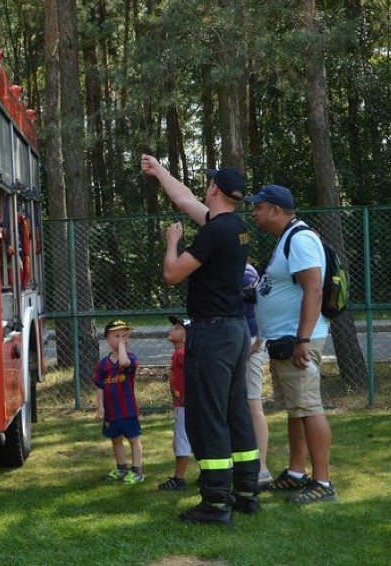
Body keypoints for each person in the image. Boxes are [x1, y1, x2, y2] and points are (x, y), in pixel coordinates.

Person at [141, 155, 260, 525]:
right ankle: (245, 493)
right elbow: (184, 200)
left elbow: (172, 274)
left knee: (208, 417)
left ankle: (215, 501)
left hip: (212, 333)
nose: (202, 189)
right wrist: (160, 171)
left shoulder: (214, 232)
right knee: (235, 411)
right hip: (236, 328)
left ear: (214, 189)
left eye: (208, 184)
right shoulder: (234, 227)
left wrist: (172, 242)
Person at [245, 184, 336, 504]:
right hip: (283, 339)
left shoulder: (300, 239)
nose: (254, 212)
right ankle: (297, 473)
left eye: (259, 207)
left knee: (309, 408)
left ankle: (323, 482)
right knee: (296, 409)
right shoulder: (286, 239)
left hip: (297, 341)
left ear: (276, 210)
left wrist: (303, 339)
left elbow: (314, 290)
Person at [92, 319, 144, 484]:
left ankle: (137, 471)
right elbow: (100, 386)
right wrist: (100, 407)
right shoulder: (103, 364)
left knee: (133, 439)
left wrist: (121, 345)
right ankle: (121, 468)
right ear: (107, 339)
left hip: (127, 410)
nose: (120, 339)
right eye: (116, 336)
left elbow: (123, 363)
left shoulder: (130, 358)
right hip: (112, 411)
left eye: (123, 336)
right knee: (115, 440)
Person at [244, 261, 273, 487]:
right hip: (235, 341)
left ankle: (262, 468)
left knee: (253, 404)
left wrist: (259, 341)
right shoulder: (227, 267)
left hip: (251, 341)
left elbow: (263, 304)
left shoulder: (245, 272)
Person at [158, 315, 192, 491]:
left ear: (187, 336)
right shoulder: (178, 353)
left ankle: (179, 479)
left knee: (181, 441)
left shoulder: (182, 354)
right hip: (183, 405)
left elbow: (195, 373)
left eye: (178, 328)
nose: (172, 330)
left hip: (185, 406)